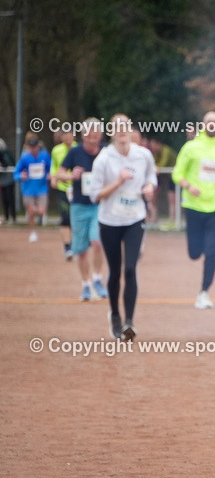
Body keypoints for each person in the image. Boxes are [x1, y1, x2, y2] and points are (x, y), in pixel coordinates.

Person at [89, 114, 157, 340]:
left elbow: (152, 176)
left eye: (125, 126)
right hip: (109, 221)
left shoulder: (143, 155)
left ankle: (129, 322)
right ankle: (115, 316)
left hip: (135, 219)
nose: (121, 130)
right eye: (116, 127)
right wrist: (118, 182)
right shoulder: (103, 159)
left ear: (131, 130)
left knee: (130, 269)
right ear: (111, 132)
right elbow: (94, 195)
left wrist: (149, 186)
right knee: (115, 270)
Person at [173, 111, 215, 310]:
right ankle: (200, 245)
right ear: (203, 125)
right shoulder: (191, 147)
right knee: (194, 253)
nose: (212, 125)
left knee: (212, 252)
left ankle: (204, 291)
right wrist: (188, 186)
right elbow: (177, 173)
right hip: (194, 206)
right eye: (209, 122)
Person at [55, 118, 108, 302]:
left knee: (97, 242)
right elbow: (59, 174)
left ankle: (98, 279)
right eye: (88, 134)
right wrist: (71, 176)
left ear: (100, 135)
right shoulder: (74, 152)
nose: (92, 137)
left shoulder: (107, 152)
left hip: (99, 205)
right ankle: (86, 284)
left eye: (95, 134)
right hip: (79, 205)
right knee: (81, 250)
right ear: (83, 135)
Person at [14, 134, 51, 243]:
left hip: (42, 189)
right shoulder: (25, 158)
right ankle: (33, 232)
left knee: (41, 211)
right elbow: (16, 173)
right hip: (28, 190)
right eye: (31, 147)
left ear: (38, 146)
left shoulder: (44, 156)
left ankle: (36, 210)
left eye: (35, 146)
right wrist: (21, 176)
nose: (33, 149)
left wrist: (50, 174)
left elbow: (51, 168)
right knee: (30, 212)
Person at [50, 130, 76, 259]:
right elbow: (54, 167)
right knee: (65, 217)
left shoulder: (78, 148)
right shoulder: (56, 150)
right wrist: (54, 178)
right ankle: (67, 246)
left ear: (73, 136)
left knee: (76, 218)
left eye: (69, 136)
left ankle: (76, 244)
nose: (67, 139)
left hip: (77, 188)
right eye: (64, 137)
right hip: (63, 188)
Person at [1, 138, 17, 225]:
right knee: (4, 199)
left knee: (10, 198)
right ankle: (6, 216)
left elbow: (8, 164)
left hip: (9, 179)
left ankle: (13, 217)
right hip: (2, 180)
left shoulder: (6, 153)